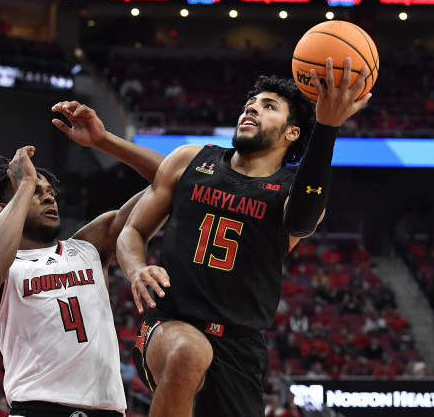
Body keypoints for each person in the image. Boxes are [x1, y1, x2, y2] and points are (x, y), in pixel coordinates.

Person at [117, 58, 371, 416]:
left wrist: (328, 127)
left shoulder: (289, 193)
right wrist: (136, 269)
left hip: (240, 347)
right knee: (189, 352)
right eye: (249, 104)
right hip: (168, 326)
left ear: (292, 133)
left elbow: (301, 222)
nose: (251, 109)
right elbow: (133, 230)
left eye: (268, 107)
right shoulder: (191, 159)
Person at [0, 101, 163, 417]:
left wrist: (104, 141)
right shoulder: (2, 268)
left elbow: (172, 179)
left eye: (50, 192)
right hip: (38, 408)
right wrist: (23, 184)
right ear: (7, 207)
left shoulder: (89, 246)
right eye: (35, 191)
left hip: (108, 410)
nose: (48, 196)